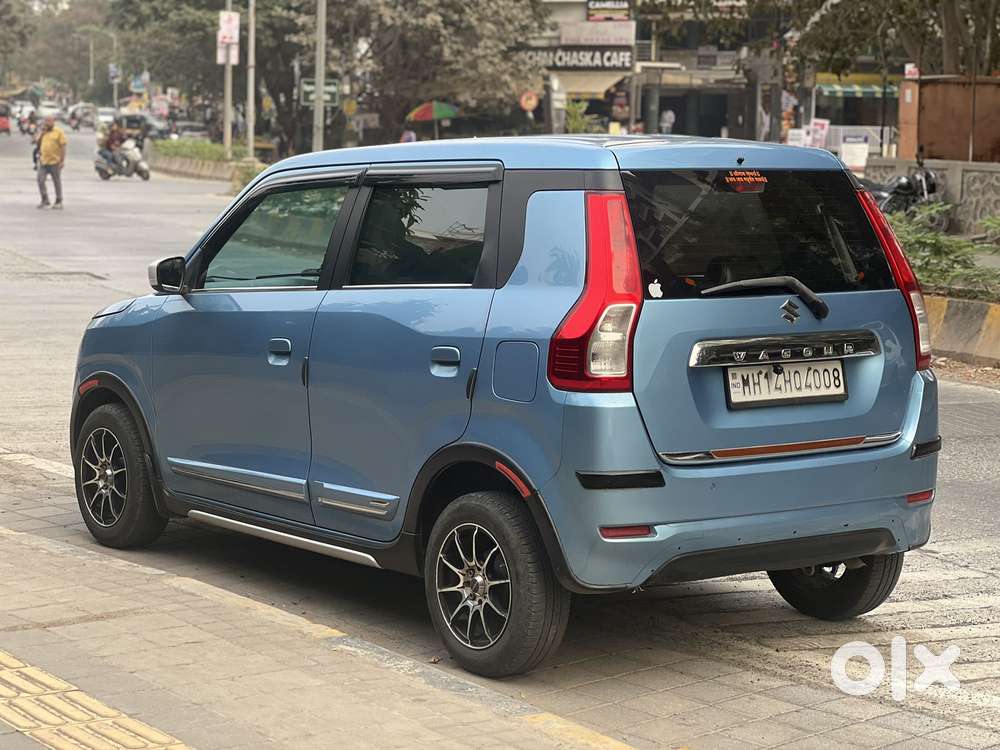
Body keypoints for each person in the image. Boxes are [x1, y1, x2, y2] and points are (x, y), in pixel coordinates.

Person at [36, 115, 67, 210]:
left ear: (53, 122)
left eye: (50, 121)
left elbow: (63, 147)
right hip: (43, 161)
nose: (47, 122)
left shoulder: (59, 132)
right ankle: (45, 199)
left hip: (55, 161)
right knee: (40, 180)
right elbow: (37, 142)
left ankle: (59, 200)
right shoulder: (43, 132)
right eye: (46, 121)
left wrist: (62, 160)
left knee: (56, 181)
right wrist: (42, 133)